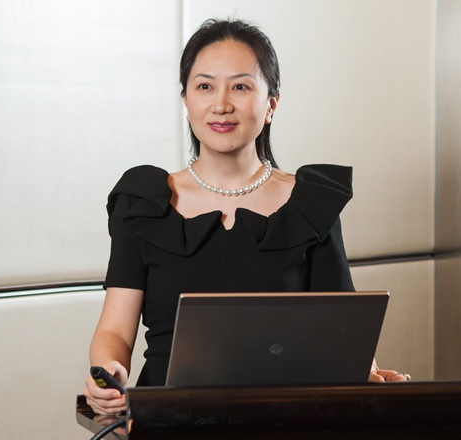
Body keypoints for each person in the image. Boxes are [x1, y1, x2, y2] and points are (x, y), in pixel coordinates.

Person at [84, 18, 408, 415]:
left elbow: (343, 331)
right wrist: (108, 372)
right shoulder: (143, 202)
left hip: (286, 419)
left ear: (271, 103)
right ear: (186, 101)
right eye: (205, 86)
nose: (221, 104)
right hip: (167, 419)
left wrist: (368, 371)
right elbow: (115, 330)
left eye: (240, 86)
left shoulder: (310, 203)